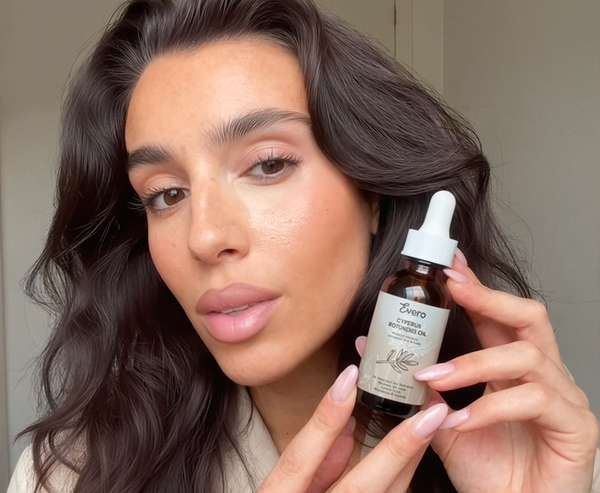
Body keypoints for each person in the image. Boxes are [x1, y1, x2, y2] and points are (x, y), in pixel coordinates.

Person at [8, 0, 599, 491]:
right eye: (166, 194)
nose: (205, 237)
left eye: (268, 164)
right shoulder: (71, 474)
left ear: (373, 193)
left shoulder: (530, 451)